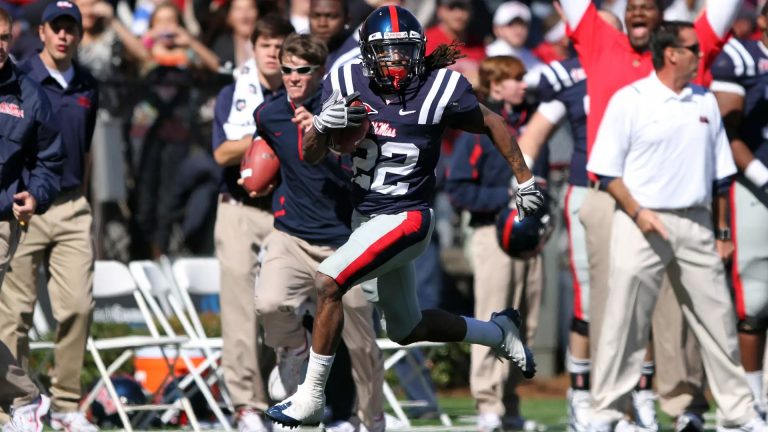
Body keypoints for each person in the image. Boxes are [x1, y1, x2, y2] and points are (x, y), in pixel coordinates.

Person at [265, 5, 544, 427]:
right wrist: (320, 126)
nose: (396, 60)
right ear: (367, 53)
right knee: (406, 328)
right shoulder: (345, 78)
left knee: (329, 281)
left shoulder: (439, 87)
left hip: (409, 217)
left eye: (404, 50)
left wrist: (524, 179)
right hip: (366, 218)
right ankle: (498, 332)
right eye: (386, 51)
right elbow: (311, 154)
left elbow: (493, 122)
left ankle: (310, 394)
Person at [519, 6, 709, 431]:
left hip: (648, 193)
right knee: (594, 300)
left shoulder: (652, 73)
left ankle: (641, 394)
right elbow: (530, 125)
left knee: (648, 299)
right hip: (591, 188)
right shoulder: (570, 75)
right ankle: (584, 395)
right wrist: (525, 187)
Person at [558, 0, 742, 429]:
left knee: (680, 310)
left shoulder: (688, 46)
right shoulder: (601, 39)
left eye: (647, 6)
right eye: (631, 7)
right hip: (611, 194)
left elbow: (726, 7)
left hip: (680, 203)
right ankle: (615, 411)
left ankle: (684, 406)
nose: (637, 12)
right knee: (613, 307)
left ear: (665, 24)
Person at [242, 32, 386, 432]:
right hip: (292, 232)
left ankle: (371, 419)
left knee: (362, 344)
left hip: (346, 238)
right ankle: (293, 349)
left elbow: (358, 169)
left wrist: (321, 134)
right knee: (269, 303)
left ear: (321, 72)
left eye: (302, 70)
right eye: (287, 69)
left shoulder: (345, 109)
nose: (292, 77)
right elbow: (265, 153)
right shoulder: (268, 114)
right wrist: (255, 175)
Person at [0, 2, 98, 430]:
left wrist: (51, 192)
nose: (63, 36)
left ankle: (64, 404)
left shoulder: (87, 85)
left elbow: (72, 152)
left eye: (70, 28)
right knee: (14, 315)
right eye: (55, 28)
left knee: (78, 305)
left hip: (64, 204)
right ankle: (15, 407)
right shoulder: (23, 78)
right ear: (40, 32)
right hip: (24, 209)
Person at [445, 55, 545, 432]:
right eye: (516, 79)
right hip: (493, 234)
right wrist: (502, 199)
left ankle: (510, 401)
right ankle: (488, 403)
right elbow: (457, 188)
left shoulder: (534, 123)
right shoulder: (479, 127)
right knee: (493, 318)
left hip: (530, 238)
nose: (523, 85)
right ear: (496, 85)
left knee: (527, 324)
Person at [210, 14, 293, 432]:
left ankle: (284, 393)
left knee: (281, 306)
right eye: (266, 45)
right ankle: (247, 404)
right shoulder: (233, 92)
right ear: (253, 48)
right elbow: (221, 153)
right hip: (239, 209)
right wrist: (267, 134)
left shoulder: (300, 92)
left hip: (285, 213)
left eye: (280, 46)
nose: (273, 54)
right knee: (240, 310)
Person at [0, 6, 64, 432]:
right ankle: (25, 398)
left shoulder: (29, 94)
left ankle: (22, 399)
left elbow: (50, 160)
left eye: (3, 37)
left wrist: (35, 195)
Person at [710, 2, 768, 416]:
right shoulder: (742, 58)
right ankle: (751, 400)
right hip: (754, 187)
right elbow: (726, 133)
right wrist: (764, 176)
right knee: (755, 303)